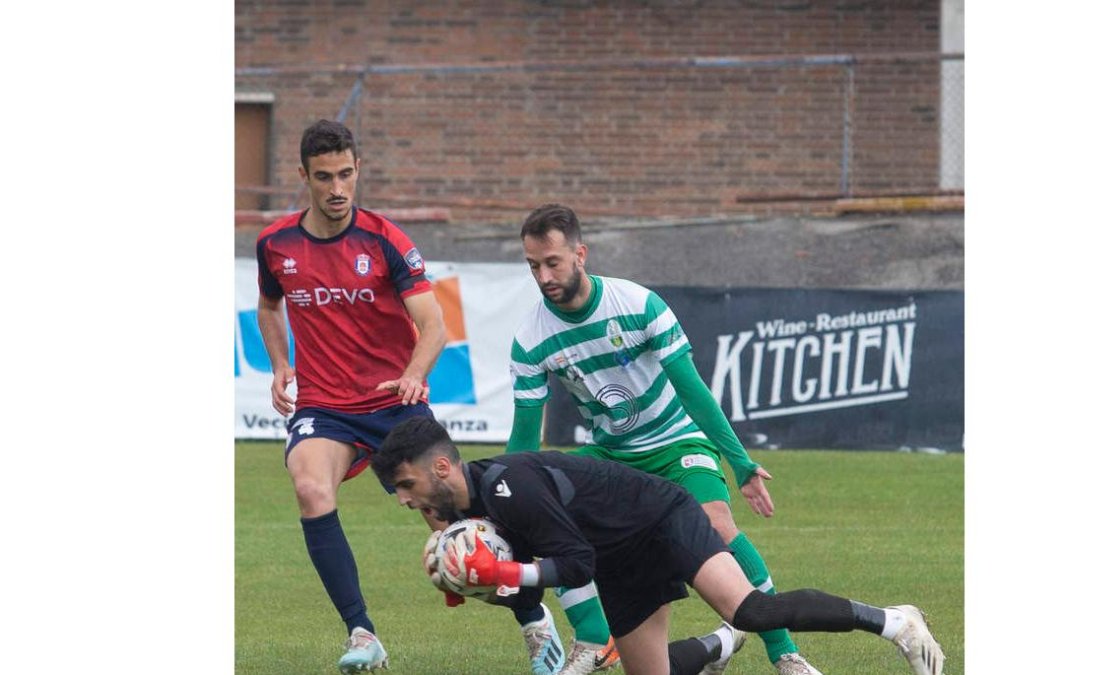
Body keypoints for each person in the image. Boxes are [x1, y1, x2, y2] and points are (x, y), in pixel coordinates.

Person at [504, 203, 820, 675]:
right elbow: (525, 438)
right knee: (548, 510)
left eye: (553, 262)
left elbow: (693, 390)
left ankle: (785, 655)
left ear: (580, 254)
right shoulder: (531, 339)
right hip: (611, 455)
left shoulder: (637, 304)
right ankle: (593, 639)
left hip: (677, 443)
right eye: (534, 266)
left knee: (716, 528)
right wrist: (508, 501)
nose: (544, 275)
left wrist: (740, 463)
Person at [372, 417, 946, 675]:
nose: (403, 500)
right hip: (621, 560)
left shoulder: (507, 485)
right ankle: (722, 647)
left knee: (752, 608)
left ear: (441, 466)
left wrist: (503, 573)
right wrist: (475, 585)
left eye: (405, 485)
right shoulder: (464, 511)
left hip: (659, 517)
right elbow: (531, 579)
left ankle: (896, 621)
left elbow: (574, 565)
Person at [254, 119, 450, 673]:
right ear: (304, 177)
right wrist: (279, 364)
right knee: (311, 488)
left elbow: (434, 324)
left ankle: (535, 623)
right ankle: (362, 632)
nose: (337, 188)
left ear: (358, 169)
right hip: (325, 406)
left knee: (456, 527)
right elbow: (269, 307)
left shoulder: (386, 240)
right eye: (324, 177)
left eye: (345, 174)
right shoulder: (276, 244)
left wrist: (414, 373)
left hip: (395, 401)